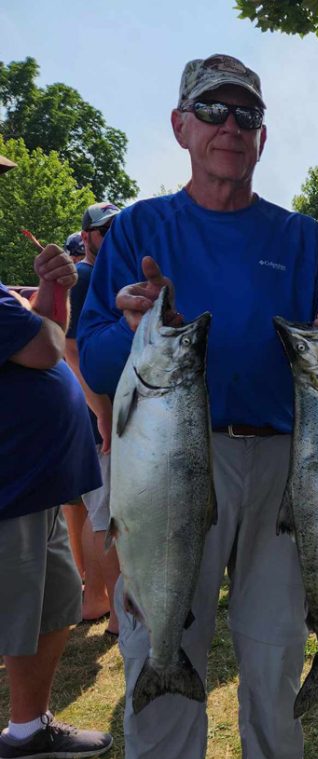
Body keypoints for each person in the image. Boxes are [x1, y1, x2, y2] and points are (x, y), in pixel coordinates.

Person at [77, 54, 318, 759]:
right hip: (168, 465)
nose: (230, 126)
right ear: (181, 126)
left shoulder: (304, 236)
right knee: (158, 647)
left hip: (286, 463)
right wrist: (124, 324)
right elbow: (91, 356)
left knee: (277, 652)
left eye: (246, 113)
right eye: (213, 110)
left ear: (262, 136)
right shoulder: (137, 228)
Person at [0, 152, 113, 759]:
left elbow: (34, 333)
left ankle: (25, 729)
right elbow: (44, 347)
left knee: (53, 608)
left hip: (32, 485)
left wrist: (42, 295)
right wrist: (55, 298)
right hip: (7, 486)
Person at [63, 202, 122, 635]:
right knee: (105, 514)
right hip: (99, 418)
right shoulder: (83, 278)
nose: (113, 236)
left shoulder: (102, 278)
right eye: (105, 230)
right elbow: (70, 350)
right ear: (86, 237)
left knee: (100, 511)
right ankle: (113, 610)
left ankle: (99, 599)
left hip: (106, 414)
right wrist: (101, 411)